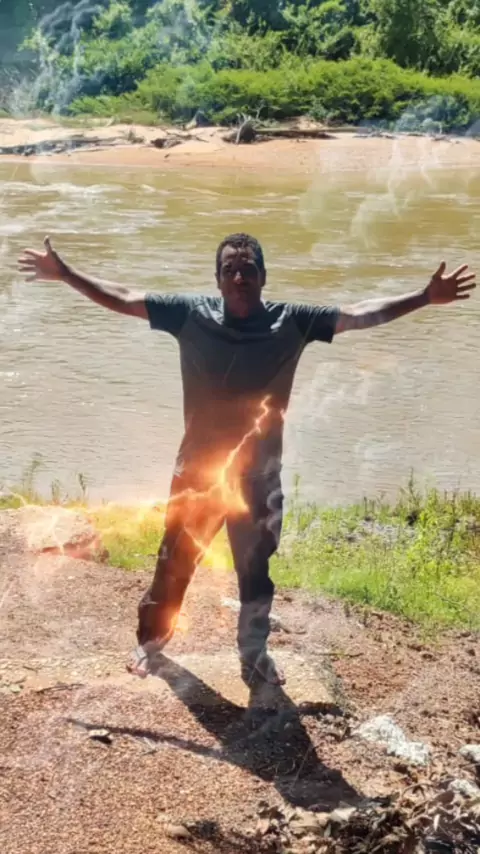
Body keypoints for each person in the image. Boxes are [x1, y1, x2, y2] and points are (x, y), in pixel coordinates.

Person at [19, 233, 476, 685]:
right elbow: (123, 297)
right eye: (230, 270)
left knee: (255, 570)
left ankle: (254, 652)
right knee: (174, 561)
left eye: (248, 269)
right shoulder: (189, 314)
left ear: (263, 277)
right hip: (197, 475)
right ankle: (151, 642)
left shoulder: (291, 321)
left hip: (259, 478)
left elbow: (357, 314)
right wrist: (66, 274)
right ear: (218, 280)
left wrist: (423, 297)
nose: (239, 277)